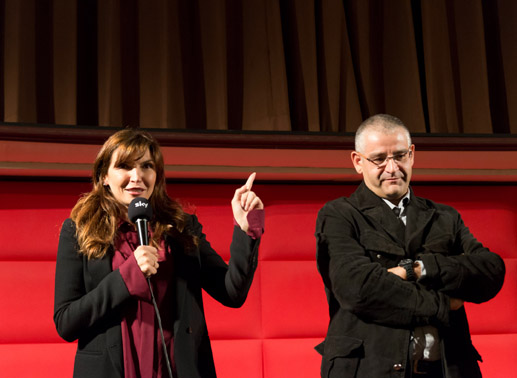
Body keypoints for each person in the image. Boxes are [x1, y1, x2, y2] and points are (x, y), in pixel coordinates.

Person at [54, 129, 264, 378]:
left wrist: (245, 230)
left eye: (146, 166)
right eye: (124, 166)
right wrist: (125, 278)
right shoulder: (79, 230)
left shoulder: (181, 227)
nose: (137, 177)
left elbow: (232, 292)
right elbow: (66, 322)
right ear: (104, 177)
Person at [315, 114, 505, 378]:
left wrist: (418, 269)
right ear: (358, 162)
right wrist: (442, 304)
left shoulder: (445, 216)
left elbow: (490, 271)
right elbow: (357, 289)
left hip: (448, 368)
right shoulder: (338, 214)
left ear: (412, 154)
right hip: (367, 369)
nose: (392, 168)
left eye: (400, 156)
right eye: (379, 159)